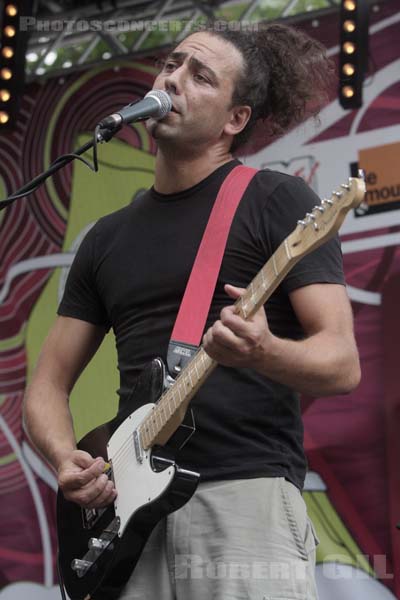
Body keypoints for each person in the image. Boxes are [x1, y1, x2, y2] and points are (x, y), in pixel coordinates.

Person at [23, 22, 361, 600]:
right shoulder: (106, 238)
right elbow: (46, 386)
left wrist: (264, 350)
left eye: (200, 75)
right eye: (172, 64)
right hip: (127, 514)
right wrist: (64, 459)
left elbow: (342, 364)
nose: (173, 79)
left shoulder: (275, 202)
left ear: (236, 120)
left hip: (244, 498)